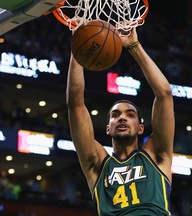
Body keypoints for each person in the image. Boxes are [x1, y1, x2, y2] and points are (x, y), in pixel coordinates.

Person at [66, 27, 175, 215]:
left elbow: (164, 94)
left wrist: (134, 46)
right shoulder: (98, 164)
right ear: (108, 128)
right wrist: (79, 48)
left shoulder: (156, 156)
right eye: (115, 115)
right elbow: (75, 104)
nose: (122, 117)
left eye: (130, 115)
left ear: (141, 128)